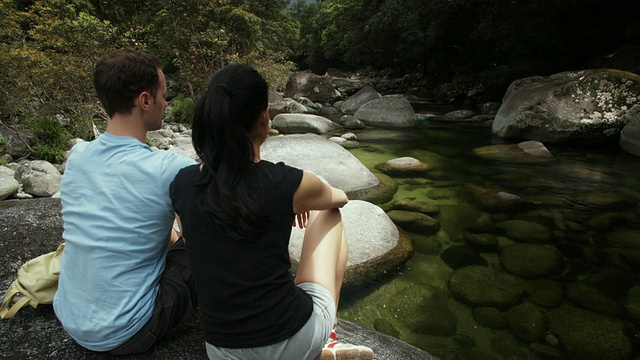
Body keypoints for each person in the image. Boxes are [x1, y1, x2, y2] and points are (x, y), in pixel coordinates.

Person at [170, 64, 374, 360]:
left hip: (222, 350)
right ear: (265, 116)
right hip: (291, 339)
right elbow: (339, 198)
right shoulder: (284, 183)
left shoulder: (182, 183)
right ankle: (326, 337)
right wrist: (300, 201)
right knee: (329, 212)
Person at [53, 49, 197, 355]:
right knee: (196, 249)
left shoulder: (78, 156)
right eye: (162, 95)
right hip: (127, 331)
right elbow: (203, 234)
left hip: (71, 318)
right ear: (145, 101)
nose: (166, 103)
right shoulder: (167, 167)